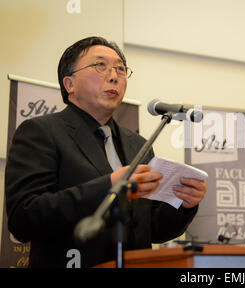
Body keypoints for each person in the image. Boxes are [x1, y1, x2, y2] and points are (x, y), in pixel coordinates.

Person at [5, 36, 207, 268]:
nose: (114, 76)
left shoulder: (138, 144)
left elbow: (151, 229)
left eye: (121, 69)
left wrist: (183, 204)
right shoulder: (41, 132)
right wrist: (109, 185)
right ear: (69, 84)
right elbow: (24, 218)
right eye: (100, 66)